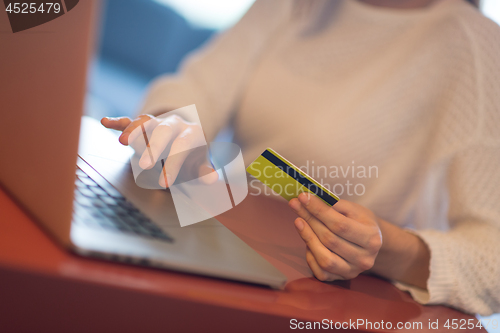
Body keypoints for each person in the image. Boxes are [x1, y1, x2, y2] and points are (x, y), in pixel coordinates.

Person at [101, 0, 500, 315]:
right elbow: (197, 87)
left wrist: (388, 248)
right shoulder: (291, 4)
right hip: (218, 255)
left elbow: (492, 263)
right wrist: (171, 127)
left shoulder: (475, 47)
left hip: (332, 303)